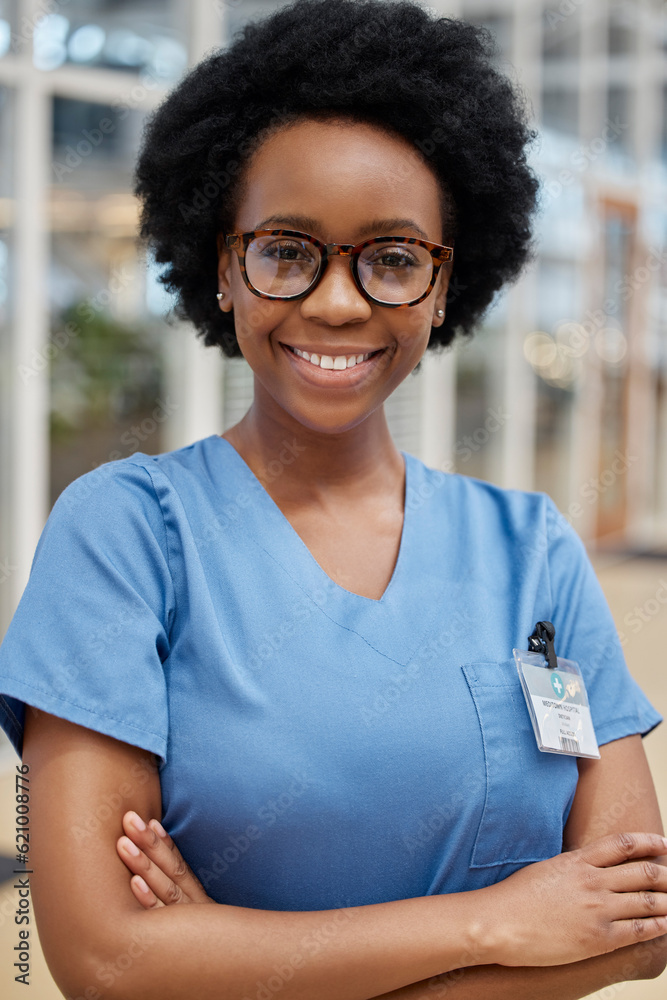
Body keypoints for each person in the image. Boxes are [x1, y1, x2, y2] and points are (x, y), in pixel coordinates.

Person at [1, 1, 666, 998]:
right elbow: (105, 957)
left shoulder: (531, 548)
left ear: (445, 287)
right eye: (287, 248)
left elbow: (637, 922)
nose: (338, 300)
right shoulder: (127, 535)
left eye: (393, 259)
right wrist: (497, 922)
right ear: (225, 267)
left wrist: (231, 955)